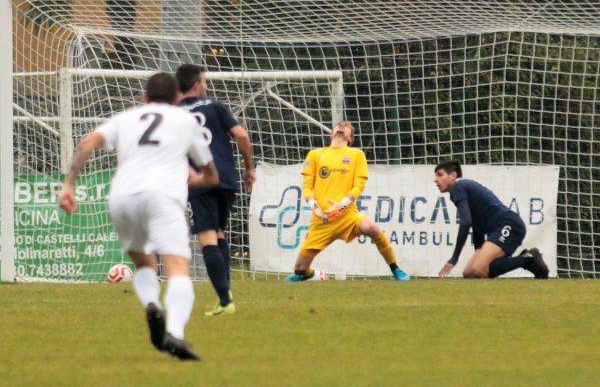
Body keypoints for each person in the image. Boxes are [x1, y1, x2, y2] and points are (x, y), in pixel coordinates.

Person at [59, 73, 218, 360]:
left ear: (144, 98)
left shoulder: (126, 118)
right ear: (178, 99)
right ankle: (175, 334)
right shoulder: (185, 120)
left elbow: (86, 144)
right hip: (162, 197)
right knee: (178, 268)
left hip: (122, 197)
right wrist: (193, 179)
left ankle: (151, 304)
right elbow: (211, 174)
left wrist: (69, 185)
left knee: (144, 262)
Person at [284, 121, 411, 282]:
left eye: (346, 127)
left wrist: (342, 204)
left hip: (348, 216)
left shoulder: (357, 155)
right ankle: (314, 274)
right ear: (332, 133)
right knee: (299, 269)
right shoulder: (315, 154)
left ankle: (396, 269)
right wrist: (313, 205)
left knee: (371, 228)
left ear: (350, 138)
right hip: (322, 220)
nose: (342, 126)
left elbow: (359, 186)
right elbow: (307, 186)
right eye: (339, 125)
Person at [175, 64, 256, 316]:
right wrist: (249, 168)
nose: (206, 85)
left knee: (207, 238)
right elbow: (242, 136)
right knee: (219, 234)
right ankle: (226, 295)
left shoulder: (172, 114)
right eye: (205, 81)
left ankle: (225, 301)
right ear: (198, 84)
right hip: (226, 178)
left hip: (198, 180)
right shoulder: (216, 106)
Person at [434, 161, 549, 279]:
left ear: (453, 175)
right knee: (469, 273)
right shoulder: (462, 188)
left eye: (439, 174)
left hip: (509, 224)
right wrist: (479, 252)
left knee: (478, 269)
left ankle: (528, 259)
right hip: (498, 229)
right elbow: (476, 225)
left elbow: (466, 222)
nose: (435, 180)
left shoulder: (457, 187)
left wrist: (454, 258)